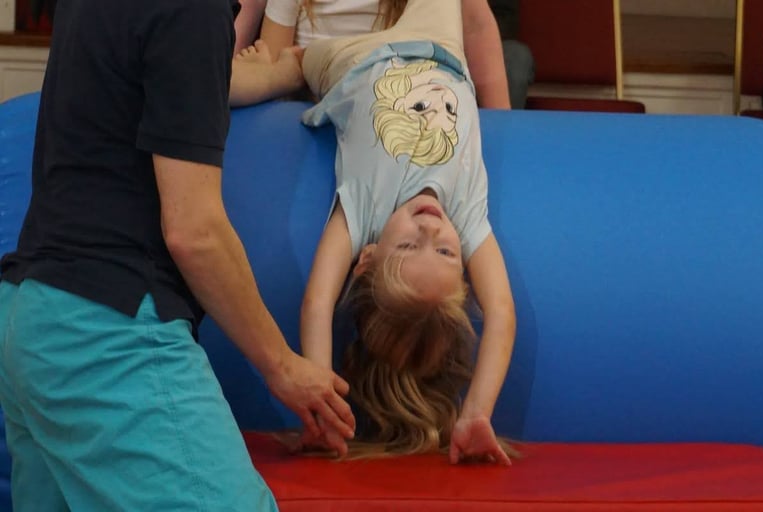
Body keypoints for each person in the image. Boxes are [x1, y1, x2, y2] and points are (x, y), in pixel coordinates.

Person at [0, 0, 353, 510]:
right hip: (106, 332)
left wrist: (280, 73)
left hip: (30, 322)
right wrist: (283, 367)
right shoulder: (191, 11)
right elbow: (195, 232)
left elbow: (170, 81)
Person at [295, 0, 517, 464]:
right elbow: (500, 311)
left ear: (369, 258)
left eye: (412, 244)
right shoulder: (467, 217)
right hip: (439, 49)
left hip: (349, 60)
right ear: (463, 277)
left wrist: (318, 399)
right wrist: (477, 411)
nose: (431, 226)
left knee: (276, 69)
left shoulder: (362, 213)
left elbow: (318, 301)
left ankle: (269, 66)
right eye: (446, 253)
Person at [231, 0, 511, 109]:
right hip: (317, 97)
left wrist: (503, 126)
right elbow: (276, 62)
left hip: (404, 92)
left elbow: (476, 27)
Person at [487, 0, 535, 109]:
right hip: (442, 46)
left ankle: (505, 123)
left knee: (518, 58)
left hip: (492, 41)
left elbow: (505, 15)